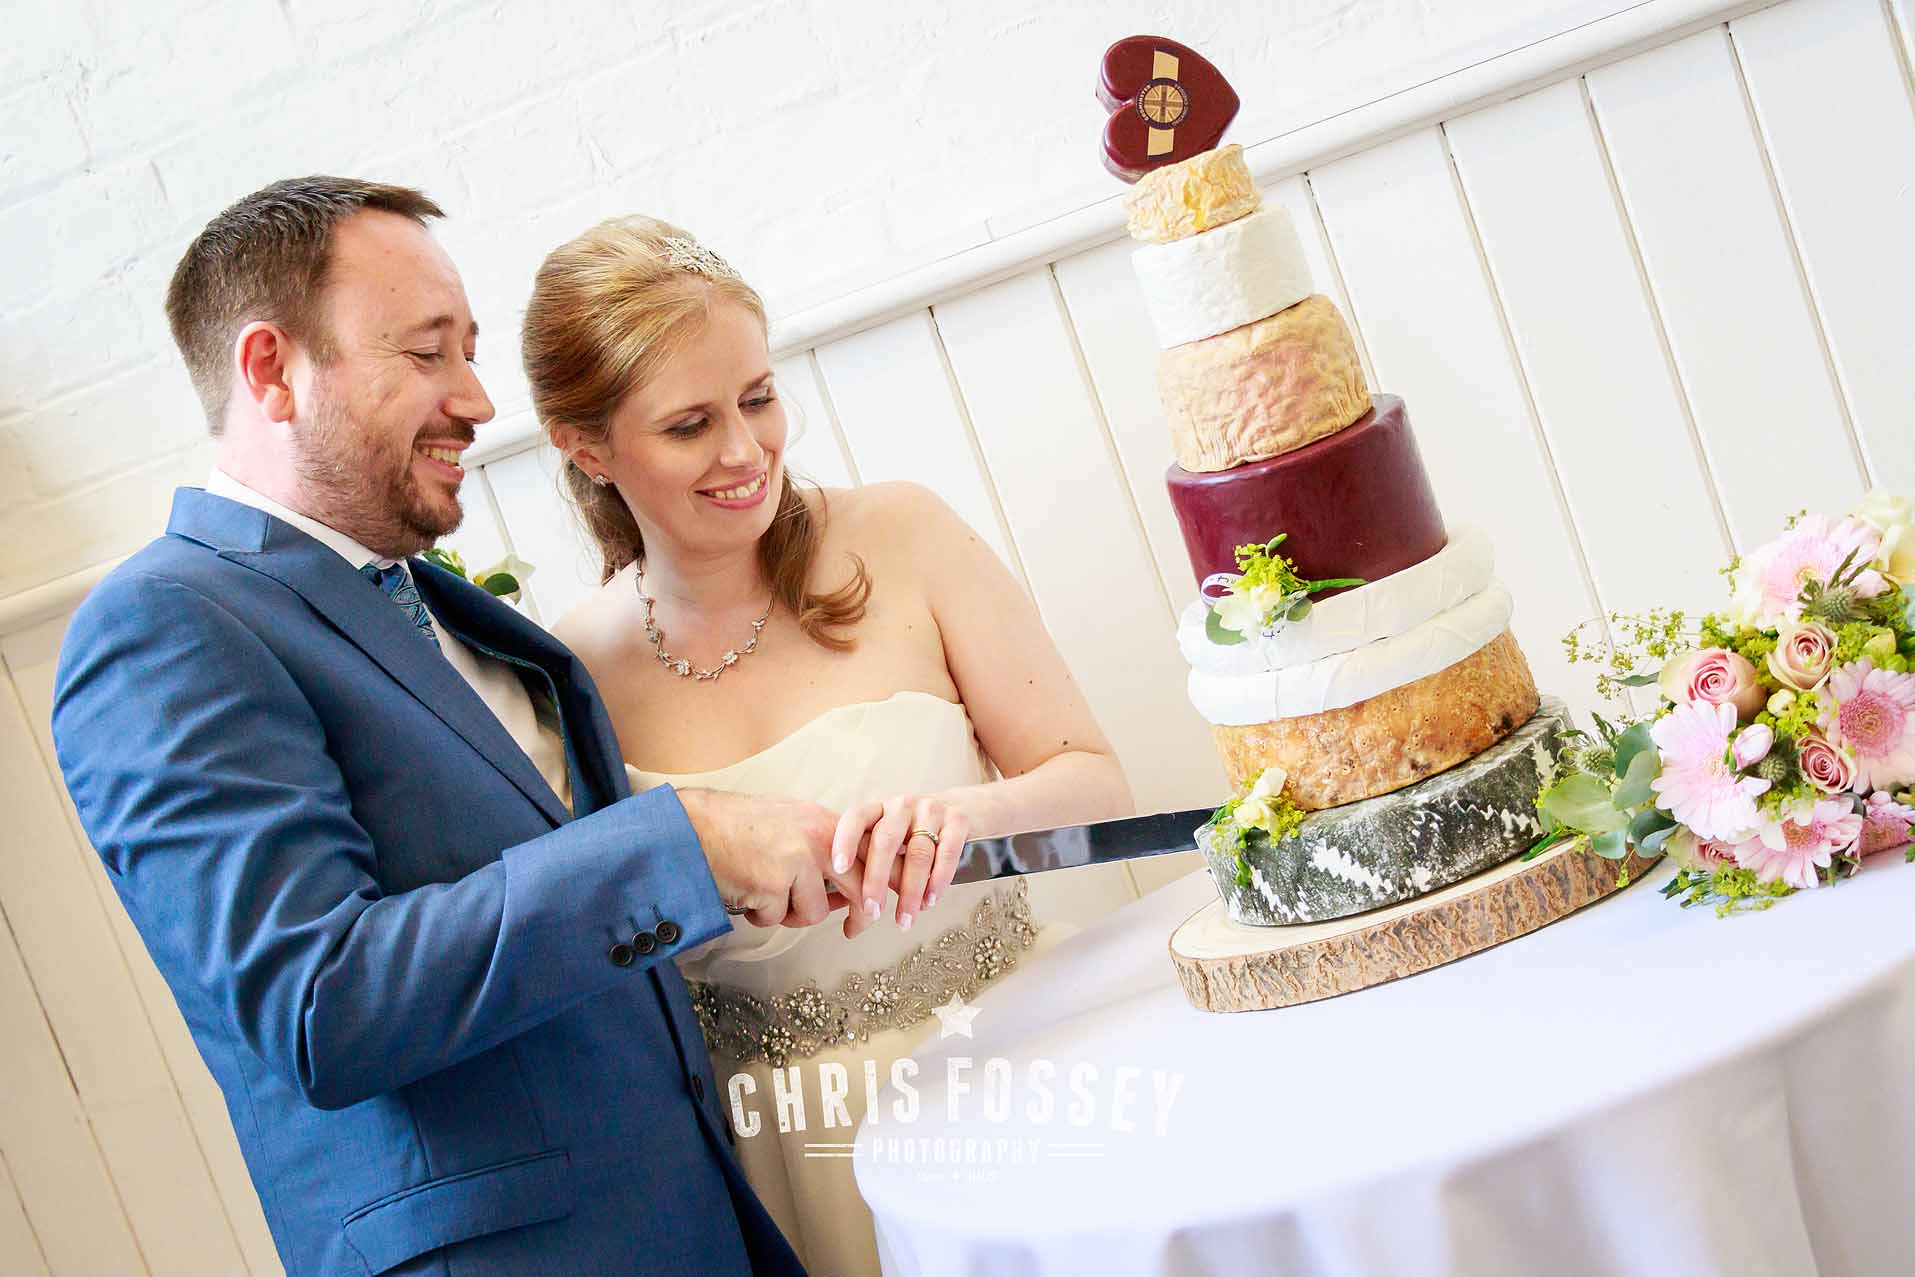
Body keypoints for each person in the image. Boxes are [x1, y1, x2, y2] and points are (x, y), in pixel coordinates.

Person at [48, 177, 891, 1276]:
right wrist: (683, 842)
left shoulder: (439, 607)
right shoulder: (162, 625)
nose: (480, 400)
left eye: (472, 352)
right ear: (270, 370)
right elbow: (323, 1002)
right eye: (427, 353)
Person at [524, 214, 1136, 1276]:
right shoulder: (569, 675)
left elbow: (1096, 781)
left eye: (758, 397)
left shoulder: (901, 532)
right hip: (790, 1155)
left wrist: (967, 816)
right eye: (689, 424)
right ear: (587, 447)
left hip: (1015, 1060)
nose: (744, 450)